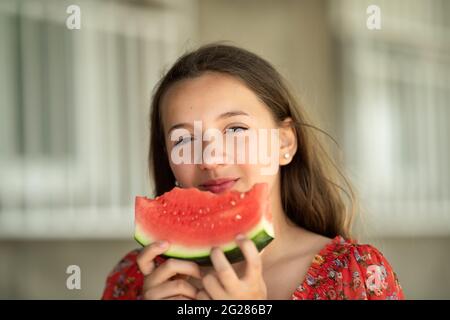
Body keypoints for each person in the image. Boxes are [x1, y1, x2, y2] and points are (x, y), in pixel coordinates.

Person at [101, 43, 404, 300]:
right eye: (184, 139)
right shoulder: (134, 277)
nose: (210, 159)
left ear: (284, 142)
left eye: (235, 129)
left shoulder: (356, 275)